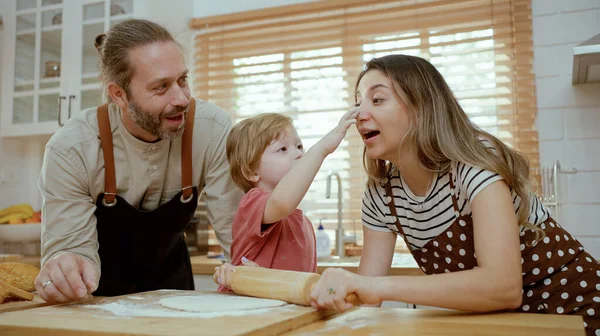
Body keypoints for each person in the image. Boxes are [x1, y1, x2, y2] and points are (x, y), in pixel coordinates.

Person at [309, 55, 600, 335]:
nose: (358, 114)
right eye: (357, 102)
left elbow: (503, 286)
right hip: (504, 324)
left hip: (577, 309)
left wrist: (375, 287)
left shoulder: (473, 161)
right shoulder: (381, 193)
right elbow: (366, 292)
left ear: (422, 107)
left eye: (377, 99)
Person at [35, 19, 243, 302]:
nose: (181, 98)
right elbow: (71, 249)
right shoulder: (71, 149)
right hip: (97, 303)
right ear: (119, 95)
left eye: (182, 80)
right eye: (161, 87)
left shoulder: (212, 129)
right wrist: (65, 269)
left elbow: (238, 235)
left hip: (177, 296)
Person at [213, 110, 358, 290]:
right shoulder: (252, 203)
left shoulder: (303, 223)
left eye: (299, 146)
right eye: (282, 149)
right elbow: (281, 203)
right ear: (251, 171)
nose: (298, 154)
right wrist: (322, 148)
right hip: (245, 311)